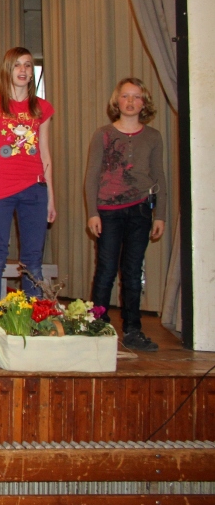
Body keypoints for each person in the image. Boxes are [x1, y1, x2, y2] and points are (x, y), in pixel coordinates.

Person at [85, 78, 167, 352]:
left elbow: (159, 176)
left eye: (137, 96)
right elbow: (92, 176)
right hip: (108, 211)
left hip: (140, 210)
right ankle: (96, 324)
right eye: (125, 96)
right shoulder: (103, 134)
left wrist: (160, 215)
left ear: (144, 103)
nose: (130, 101)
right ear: (116, 101)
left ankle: (133, 329)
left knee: (133, 271)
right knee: (106, 269)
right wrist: (92, 212)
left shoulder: (153, 136)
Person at [0, 47, 55, 319]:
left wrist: (50, 197)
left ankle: (32, 323)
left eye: (28, 65)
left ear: (32, 72)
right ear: (7, 70)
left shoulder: (41, 108)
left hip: (34, 190)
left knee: (33, 260)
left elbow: (45, 154)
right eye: (17, 65)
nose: (23, 70)